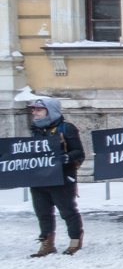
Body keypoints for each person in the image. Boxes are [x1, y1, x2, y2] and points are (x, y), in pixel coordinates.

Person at [26, 96, 84, 258]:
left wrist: (64, 158)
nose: (35, 113)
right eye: (34, 109)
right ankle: (47, 242)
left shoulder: (66, 128)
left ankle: (75, 239)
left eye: (39, 109)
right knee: (42, 212)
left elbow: (79, 152)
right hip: (39, 179)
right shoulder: (35, 130)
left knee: (67, 211)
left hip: (62, 179)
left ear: (50, 111)